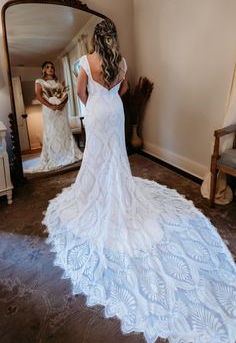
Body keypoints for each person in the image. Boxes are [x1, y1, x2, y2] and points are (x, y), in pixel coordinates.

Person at [43, 20, 236, 343]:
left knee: (96, 156)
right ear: (113, 39)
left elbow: (79, 91)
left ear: (94, 39)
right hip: (115, 111)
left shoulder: (84, 62)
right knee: (116, 156)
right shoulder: (120, 62)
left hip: (96, 112)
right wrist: (109, 97)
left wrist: (93, 101)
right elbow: (124, 89)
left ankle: (96, 195)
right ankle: (115, 191)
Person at [24, 61, 82, 172]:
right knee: (52, 132)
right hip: (49, 111)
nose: (50, 68)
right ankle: (55, 156)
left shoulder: (57, 81)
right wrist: (51, 106)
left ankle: (68, 153)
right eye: (47, 67)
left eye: (52, 67)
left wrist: (61, 105)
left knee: (63, 131)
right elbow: (39, 96)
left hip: (61, 110)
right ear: (43, 70)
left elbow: (65, 95)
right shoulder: (39, 81)